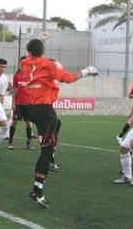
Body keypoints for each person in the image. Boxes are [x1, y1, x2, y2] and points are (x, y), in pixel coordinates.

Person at [21, 35, 98, 208]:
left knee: (57, 124)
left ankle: (45, 139)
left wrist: (38, 41)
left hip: (30, 108)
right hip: (44, 111)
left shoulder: (25, 63)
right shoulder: (50, 63)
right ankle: (37, 190)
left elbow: (32, 54)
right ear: (42, 51)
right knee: (46, 152)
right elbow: (69, 78)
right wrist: (87, 70)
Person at [8, 56, 35, 151]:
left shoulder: (31, 75)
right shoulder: (16, 75)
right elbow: (14, 90)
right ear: (20, 63)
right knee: (14, 122)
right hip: (18, 103)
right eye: (22, 63)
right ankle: (10, 142)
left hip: (28, 104)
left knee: (29, 124)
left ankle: (28, 144)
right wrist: (13, 102)